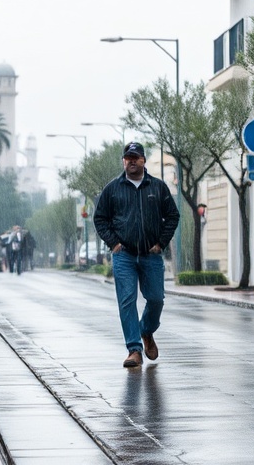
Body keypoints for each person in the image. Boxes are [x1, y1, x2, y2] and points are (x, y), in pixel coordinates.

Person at [94, 141, 180, 368]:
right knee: (127, 301)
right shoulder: (112, 189)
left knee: (156, 299)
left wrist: (161, 243)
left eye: (136, 157)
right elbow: (100, 218)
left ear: (143, 160)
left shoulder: (158, 187)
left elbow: (172, 216)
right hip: (124, 256)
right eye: (128, 157)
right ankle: (134, 349)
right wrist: (113, 243)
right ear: (124, 161)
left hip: (151, 255)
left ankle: (146, 331)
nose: (131, 161)